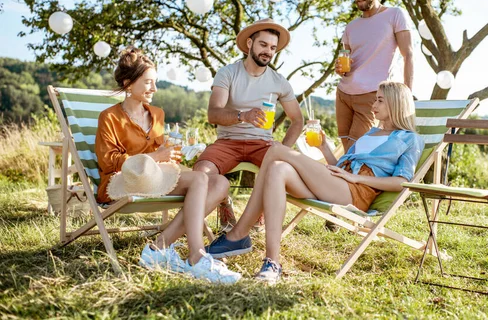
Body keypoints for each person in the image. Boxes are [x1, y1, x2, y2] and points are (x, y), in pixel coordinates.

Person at [206, 81, 424, 284]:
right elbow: (340, 167)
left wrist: (357, 178)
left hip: (355, 193)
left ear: (396, 103)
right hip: (339, 183)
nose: (373, 104)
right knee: (277, 169)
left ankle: (238, 234)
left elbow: (402, 182)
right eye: (375, 98)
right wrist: (323, 148)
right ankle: (272, 261)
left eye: (380, 100)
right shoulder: (372, 133)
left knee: (275, 150)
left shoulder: (409, 139)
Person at [95, 46, 241, 284]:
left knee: (220, 182)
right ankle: (197, 256)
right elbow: (108, 162)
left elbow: (161, 154)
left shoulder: (157, 114)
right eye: (148, 82)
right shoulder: (109, 117)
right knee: (199, 179)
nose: (154, 88)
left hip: (154, 179)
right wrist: (156, 157)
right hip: (121, 182)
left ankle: (159, 247)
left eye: (155, 82)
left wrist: (174, 155)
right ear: (128, 83)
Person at [193, 18, 304, 232]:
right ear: (250, 44)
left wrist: (283, 149)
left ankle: (258, 214)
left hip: (262, 143)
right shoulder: (228, 73)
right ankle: (223, 202)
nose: (268, 52)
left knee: (281, 169)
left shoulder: (279, 81)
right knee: (201, 171)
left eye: (273, 48)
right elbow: (213, 113)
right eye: (263, 45)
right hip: (227, 141)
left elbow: (297, 120)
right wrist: (243, 116)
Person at [336, 0, 415, 152]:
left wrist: (407, 95)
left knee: (358, 150)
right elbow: (345, 61)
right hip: (344, 94)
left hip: (373, 95)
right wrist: (340, 68)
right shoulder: (351, 27)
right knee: (347, 150)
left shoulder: (395, 15)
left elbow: (409, 55)